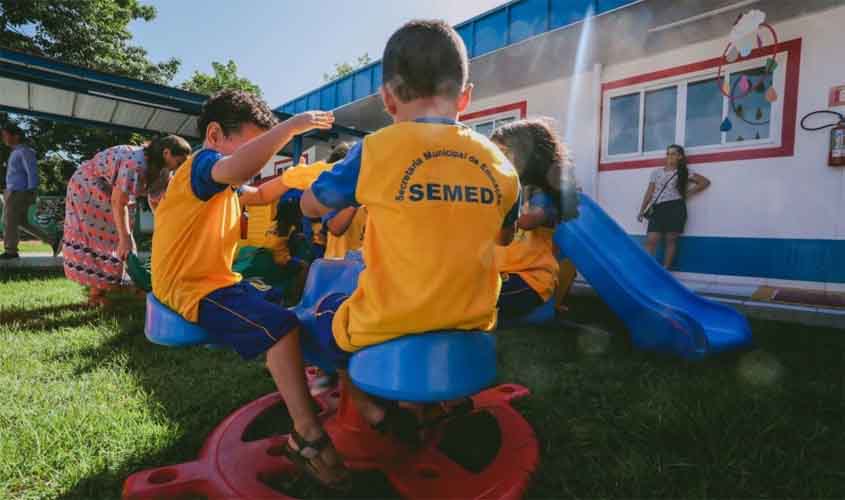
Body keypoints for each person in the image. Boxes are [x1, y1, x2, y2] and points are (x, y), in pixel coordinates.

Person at [299, 19, 520, 462]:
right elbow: (505, 235)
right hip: (471, 319)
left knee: (304, 321)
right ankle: (425, 407)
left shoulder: (377, 149)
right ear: (466, 96)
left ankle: (365, 411)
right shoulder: (501, 164)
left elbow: (310, 205)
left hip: (389, 320)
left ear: (386, 99)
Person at [149, 89, 344, 487]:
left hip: (215, 279)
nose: (259, 157)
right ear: (216, 134)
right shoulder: (201, 165)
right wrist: (292, 126)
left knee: (290, 314)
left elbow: (255, 195)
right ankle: (306, 434)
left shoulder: (222, 180)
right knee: (280, 328)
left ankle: (316, 378)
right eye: (254, 144)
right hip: (192, 287)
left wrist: (293, 178)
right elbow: (238, 172)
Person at [62, 135, 191, 305]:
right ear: (166, 153)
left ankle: (130, 286)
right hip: (87, 188)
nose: (182, 167)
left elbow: (157, 200)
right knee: (108, 237)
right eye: (180, 161)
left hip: (112, 193)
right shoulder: (135, 164)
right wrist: (125, 237)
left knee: (121, 235)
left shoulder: (164, 169)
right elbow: (118, 201)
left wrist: (164, 230)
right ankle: (97, 294)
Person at [490, 119, 575, 321]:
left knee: (474, 297)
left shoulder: (543, 195)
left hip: (530, 280)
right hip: (503, 274)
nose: (494, 159)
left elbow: (528, 221)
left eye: (502, 152)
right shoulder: (507, 191)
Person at [637, 144, 711, 269]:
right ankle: (645, 269)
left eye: (673, 154)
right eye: (668, 153)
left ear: (680, 157)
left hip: (675, 208)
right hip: (658, 208)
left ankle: (666, 270)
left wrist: (687, 193)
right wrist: (642, 210)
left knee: (670, 240)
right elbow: (650, 192)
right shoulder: (656, 172)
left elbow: (705, 182)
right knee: (651, 240)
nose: (669, 156)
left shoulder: (685, 172)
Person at [1, 122, 58, 259]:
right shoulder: (16, 152)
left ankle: (11, 251)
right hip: (13, 191)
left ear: (16, 136)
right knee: (21, 222)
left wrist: (31, 191)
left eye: (5, 135)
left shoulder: (24, 151)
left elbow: (32, 172)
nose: (3, 138)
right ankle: (53, 241)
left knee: (9, 221)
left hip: (19, 193)